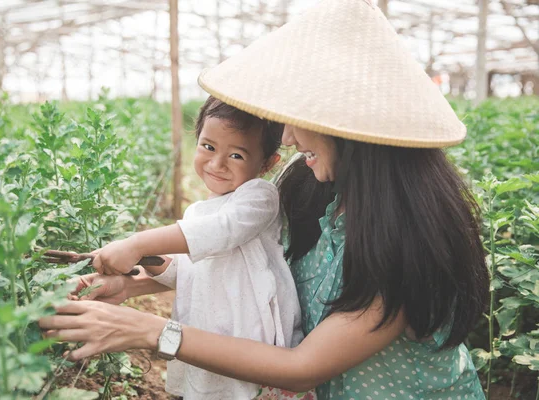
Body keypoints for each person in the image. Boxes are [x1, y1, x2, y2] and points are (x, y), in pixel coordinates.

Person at [40, 0, 489, 399]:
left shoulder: (407, 245)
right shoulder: (312, 190)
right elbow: (245, 263)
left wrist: (152, 330)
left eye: (299, 121)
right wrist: (133, 285)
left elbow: (301, 369)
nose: (289, 138)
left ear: (351, 131)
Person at [71, 95, 310, 399]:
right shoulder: (199, 211)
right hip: (204, 336)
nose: (216, 163)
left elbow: (222, 232)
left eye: (236, 155)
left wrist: (136, 243)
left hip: (249, 341)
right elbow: (188, 273)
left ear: (266, 163)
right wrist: (146, 257)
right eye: (208, 147)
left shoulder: (259, 197)